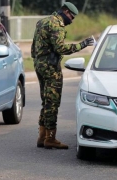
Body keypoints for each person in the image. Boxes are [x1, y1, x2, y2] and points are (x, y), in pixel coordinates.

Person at [31, 2, 94, 149]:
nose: (71, 21)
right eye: (71, 17)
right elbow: (60, 48)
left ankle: (42, 136)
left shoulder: (43, 21)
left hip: (39, 65)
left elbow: (34, 47)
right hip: (51, 68)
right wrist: (82, 44)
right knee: (52, 103)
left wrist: (40, 61)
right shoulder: (56, 25)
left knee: (46, 101)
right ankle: (50, 138)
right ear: (65, 12)